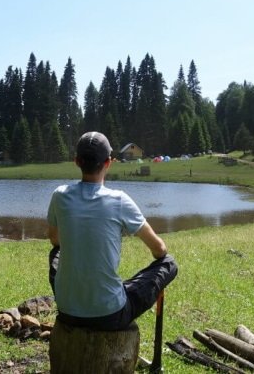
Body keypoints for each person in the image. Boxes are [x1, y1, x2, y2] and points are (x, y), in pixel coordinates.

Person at [47, 131, 178, 330]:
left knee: (56, 254)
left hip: (66, 310)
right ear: (108, 163)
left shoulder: (59, 195)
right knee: (168, 264)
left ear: (76, 161)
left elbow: (55, 241)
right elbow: (160, 249)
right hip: (109, 315)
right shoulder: (119, 200)